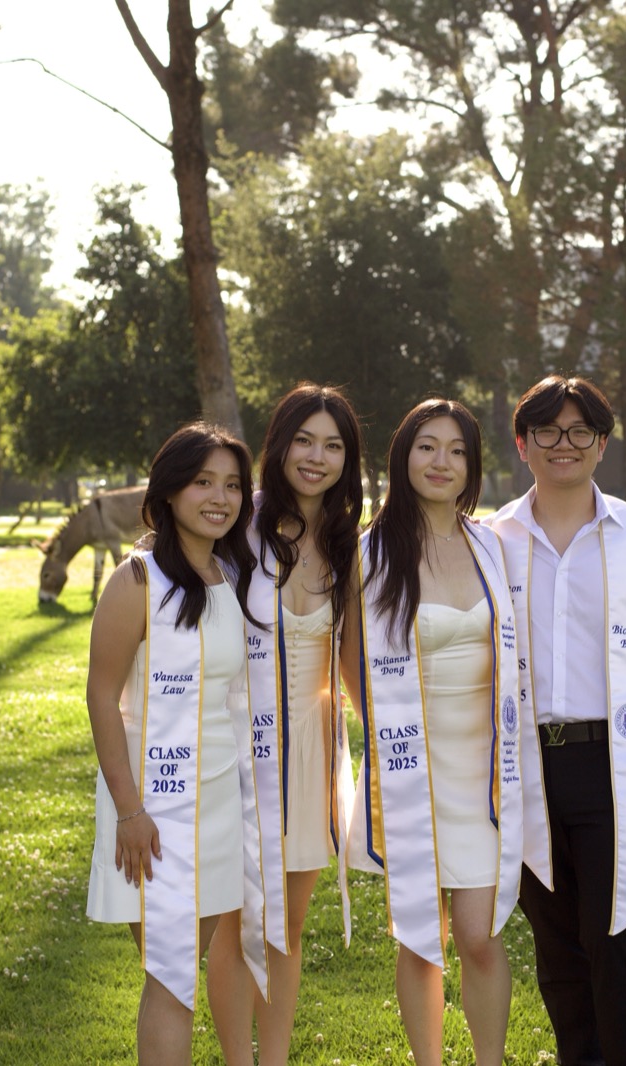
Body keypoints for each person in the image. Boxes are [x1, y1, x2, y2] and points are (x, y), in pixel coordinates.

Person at [486, 376, 626, 1066]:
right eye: (547, 431)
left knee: (621, 946)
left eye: (581, 431)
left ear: (602, 445)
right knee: (559, 951)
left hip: (614, 765)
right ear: (523, 444)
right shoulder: (490, 542)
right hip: (525, 768)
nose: (564, 444)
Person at [342, 398, 526, 1066]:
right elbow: (348, 659)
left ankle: (489, 1060)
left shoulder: (492, 545)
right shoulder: (368, 553)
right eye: (426, 446)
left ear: (472, 465)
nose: (440, 461)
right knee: (420, 937)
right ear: (402, 456)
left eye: (456, 449)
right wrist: (389, 736)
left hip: (483, 771)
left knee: (478, 934)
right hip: (410, 769)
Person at [84, 422, 269, 1066]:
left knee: (182, 967)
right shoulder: (134, 580)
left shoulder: (227, 575)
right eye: (201, 482)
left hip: (218, 802)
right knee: (170, 975)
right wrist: (130, 812)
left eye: (231, 485)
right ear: (169, 490)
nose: (218, 497)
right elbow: (102, 697)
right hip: (153, 808)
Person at [206, 384, 364, 1065]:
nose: (316, 457)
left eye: (333, 445)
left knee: (286, 926)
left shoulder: (345, 540)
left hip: (313, 754)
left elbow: (353, 661)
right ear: (280, 444)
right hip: (240, 748)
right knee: (237, 919)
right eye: (305, 440)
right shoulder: (237, 529)